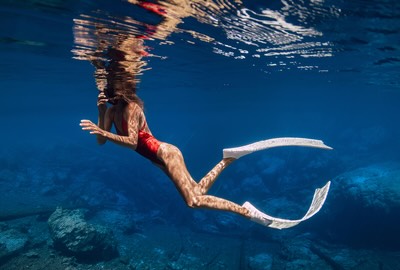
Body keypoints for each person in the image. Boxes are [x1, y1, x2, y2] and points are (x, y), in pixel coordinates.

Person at [80, 76, 332, 229]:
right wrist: (101, 113)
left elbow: (132, 142)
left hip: (166, 154)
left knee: (193, 202)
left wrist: (104, 133)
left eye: (105, 89)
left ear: (117, 88)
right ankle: (228, 159)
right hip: (157, 160)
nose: (102, 91)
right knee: (198, 192)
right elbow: (102, 142)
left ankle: (245, 212)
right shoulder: (112, 112)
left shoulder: (132, 107)